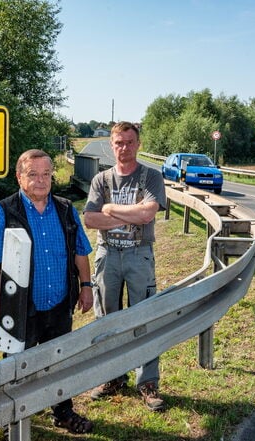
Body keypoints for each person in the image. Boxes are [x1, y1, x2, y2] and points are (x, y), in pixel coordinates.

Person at [0, 149, 95, 434]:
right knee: (16, 365)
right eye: (33, 174)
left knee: (59, 361)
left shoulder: (66, 209)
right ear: (19, 177)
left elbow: (80, 251)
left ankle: (63, 412)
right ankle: (12, 422)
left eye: (46, 174)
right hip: (19, 307)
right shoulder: (4, 211)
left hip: (59, 303)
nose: (41, 181)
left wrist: (87, 286)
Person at [83, 121, 168, 411]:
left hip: (138, 254)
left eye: (130, 142)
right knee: (107, 320)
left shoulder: (151, 177)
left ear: (138, 144)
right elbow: (90, 219)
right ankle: (112, 377)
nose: (124, 148)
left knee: (144, 318)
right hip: (107, 255)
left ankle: (147, 383)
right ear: (111, 145)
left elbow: (148, 213)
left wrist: (110, 209)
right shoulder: (101, 180)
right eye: (119, 143)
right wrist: (128, 216)